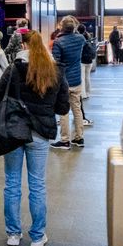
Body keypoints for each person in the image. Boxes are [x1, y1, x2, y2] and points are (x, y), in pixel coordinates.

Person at [0, 30, 69, 246]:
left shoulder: (13, 69)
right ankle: (37, 236)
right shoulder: (54, 71)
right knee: (37, 184)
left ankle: (13, 234)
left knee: (12, 183)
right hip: (40, 134)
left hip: (14, 132)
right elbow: (63, 107)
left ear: (24, 47)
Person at [51, 16, 86, 150]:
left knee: (64, 111)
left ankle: (65, 140)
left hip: (64, 80)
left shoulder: (58, 42)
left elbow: (56, 62)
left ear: (62, 27)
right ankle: (79, 137)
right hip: (77, 79)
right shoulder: (80, 39)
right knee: (77, 109)